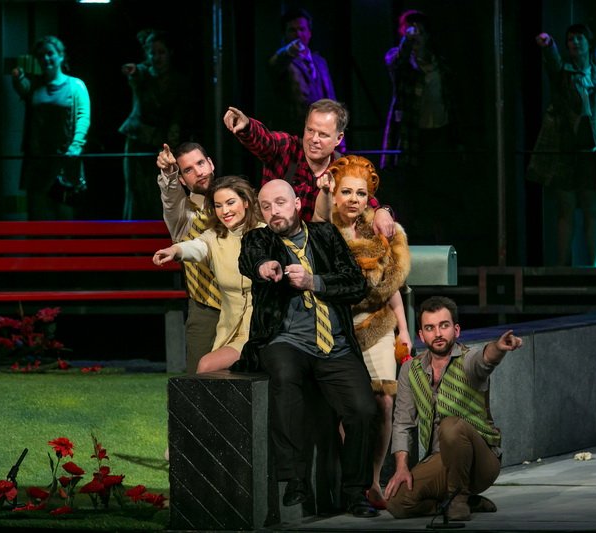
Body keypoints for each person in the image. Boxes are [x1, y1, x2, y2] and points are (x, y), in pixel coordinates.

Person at [237, 179, 379, 518]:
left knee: (364, 410)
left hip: (335, 344)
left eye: (280, 203)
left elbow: (356, 284)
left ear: (297, 203)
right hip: (285, 340)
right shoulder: (259, 239)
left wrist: (314, 281)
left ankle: (355, 492)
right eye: (266, 206)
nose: (274, 212)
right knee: (284, 377)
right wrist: (264, 267)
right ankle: (295, 478)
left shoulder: (325, 235)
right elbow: (251, 259)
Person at [313, 154, 412, 509]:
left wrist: (403, 330)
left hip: (378, 322)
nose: (353, 199)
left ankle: (372, 480)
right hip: (337, 326)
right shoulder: (324, 232)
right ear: (335, 194)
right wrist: (323, 192)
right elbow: (318, 216)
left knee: (384, 400)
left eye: (360, 193)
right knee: (349, 407)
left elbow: (391, 286)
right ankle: (350, 476)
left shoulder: (378, 229)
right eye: (346, 192)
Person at [384, 296, 523, 522]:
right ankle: (461, 501)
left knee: (450, 426)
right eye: (430, 328)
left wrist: (499, 348)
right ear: (421, 335)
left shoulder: (468, 359)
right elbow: (402, 423)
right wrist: (401, 468)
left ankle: (458, 500)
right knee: (396, 502)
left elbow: (485, 359)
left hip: (481, 462)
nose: (438, 333)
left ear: (456, 330)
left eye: (444, 325)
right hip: (441, 459)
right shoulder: (411, 369)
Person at [222, 99, 396, 238]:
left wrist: (383, 211)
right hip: (274, 246)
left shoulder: (345, 169)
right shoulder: (286, 149)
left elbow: (368, 203)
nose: (314, 139)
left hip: (320, 254)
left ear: (339, 138)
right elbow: (264, 140)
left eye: (323, 134)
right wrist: (246, 126)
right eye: (310, 130)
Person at [527, 24, 596, 267]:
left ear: (589, 43)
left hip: (592, 152)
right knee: (565, 210)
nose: (575, 43)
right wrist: (549, 45)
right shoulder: (563, 73)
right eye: (570, 39)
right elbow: (552, 62)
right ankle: (562, 266)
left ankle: (595, 263)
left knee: (592, 209)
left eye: (579, 38)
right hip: (565, 151)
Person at [153, 175, 264, 374]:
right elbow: (196, 247)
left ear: (246, 202)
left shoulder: (266, 234)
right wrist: (174, 250)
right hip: (231, 331)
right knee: (210, 369)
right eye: (218, 206)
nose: (225, 211)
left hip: (263, 329)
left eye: (230, 203)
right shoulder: (214, 236)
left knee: (208, 366)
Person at [379, 10, 461, 243]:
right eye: (410, 30)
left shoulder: (439, 62)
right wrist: (408, 40)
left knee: (438, 192)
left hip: (439, 133)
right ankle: (406, 245)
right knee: (408, 193)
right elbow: (398, 61)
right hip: (411, 137)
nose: (416, 36)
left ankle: (441, 244)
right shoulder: (398, 59)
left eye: (420, 32)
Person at [156, 142, 221, 375]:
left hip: (245, 304)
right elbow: (170, 197)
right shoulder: (183, 214)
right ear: (182, 179)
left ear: (211, 163)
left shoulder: (234, 203)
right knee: (201, 380)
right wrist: (168, 172)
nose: (199, 172)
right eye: (188, 170)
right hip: (205, 307)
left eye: (201, 163)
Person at [11, 35, 90, 220]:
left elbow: (83, 117)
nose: (45, 58)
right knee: (37, 219)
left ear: (60, 55)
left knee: (64, 218)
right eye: (41, 55)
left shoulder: (76, 86)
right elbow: (23, 87)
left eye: (50, 53)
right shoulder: (35, 85)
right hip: (37, 161)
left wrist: (76, 146)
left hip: (64, 160)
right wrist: (17, 77)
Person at [120, 30, 183, 220]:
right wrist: (134, 71)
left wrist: (171, 142)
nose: (156, 57)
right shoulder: (143, 74)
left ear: (170, 53)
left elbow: (179, 115)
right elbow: (137, 72)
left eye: (161, 52)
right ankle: (133, 234)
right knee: (136, 190)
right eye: (152, 53)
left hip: (163, 144)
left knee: (159, 192)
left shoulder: (178, 81)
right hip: (137, 141)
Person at [267, 8, 337, 136]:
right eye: (292, 30)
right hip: (292, 135)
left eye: (302, 29)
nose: (298, 34)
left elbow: (331, 98)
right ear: (284, 34)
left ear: (309, 33)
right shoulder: (283, 61)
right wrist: (289, 51)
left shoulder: (320, 62)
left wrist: (338, 135)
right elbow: (275, 63)